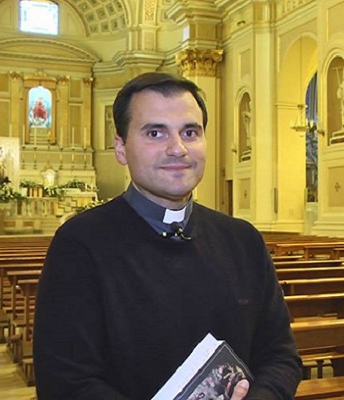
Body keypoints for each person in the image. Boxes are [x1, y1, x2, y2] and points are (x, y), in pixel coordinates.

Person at [33, 72, 302, 399]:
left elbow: (280, 355)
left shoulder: (243, 240)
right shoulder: (79, 244)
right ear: (121, 148)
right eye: (155, 133)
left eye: (190, 132)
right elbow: (65, 382)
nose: (177, 149)